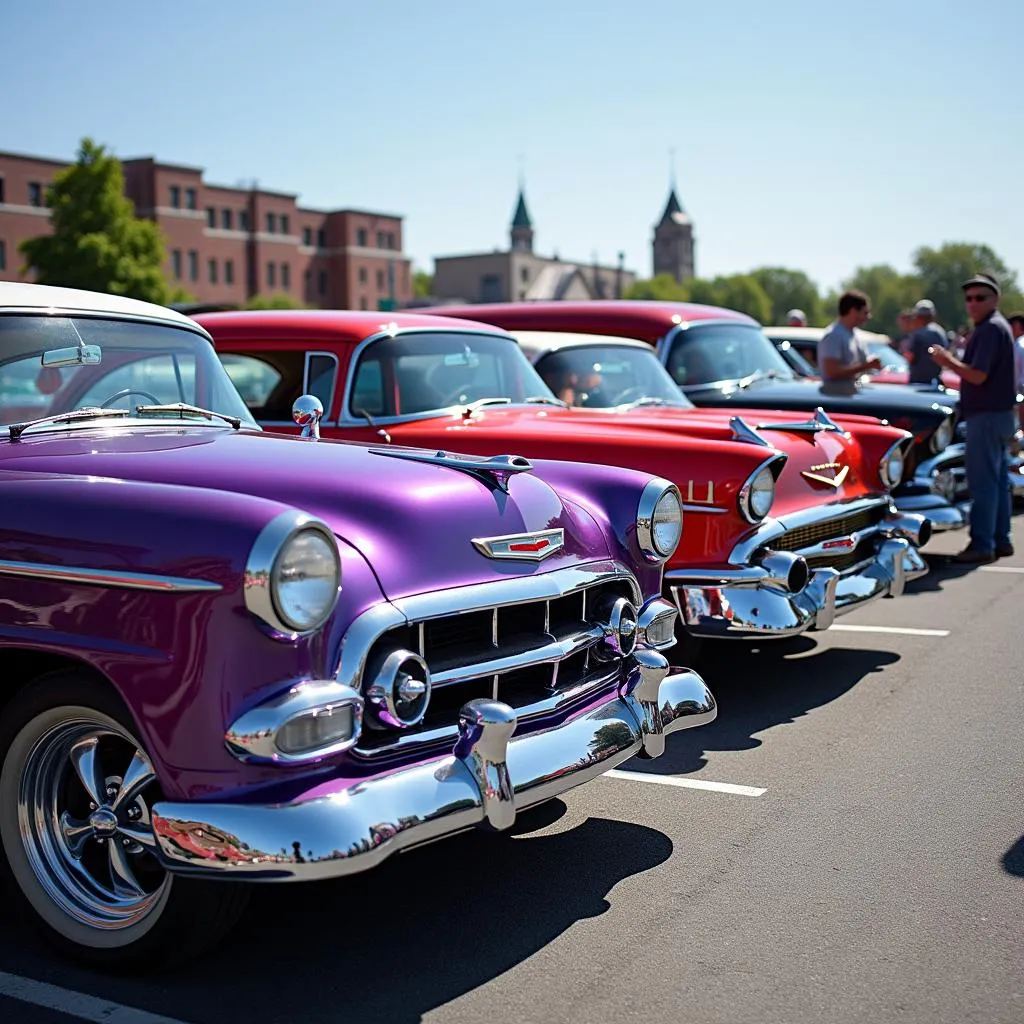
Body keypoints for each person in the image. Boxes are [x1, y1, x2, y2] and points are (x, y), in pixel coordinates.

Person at [929, 273, 1017, 564]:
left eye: (981, 297)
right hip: (998, 415)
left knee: (984, 483)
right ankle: (1000, 540)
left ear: (995, 299)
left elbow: (977, 375)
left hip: (988, 417)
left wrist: (947, 361)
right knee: (997, 480)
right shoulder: (994, 327)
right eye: (969, 298)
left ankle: (983, 544)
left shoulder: (990, 328)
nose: (973, 303)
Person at [818, 290, 882, 388]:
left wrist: (870, 364)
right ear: (853, 311)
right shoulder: (833, 336)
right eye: (865, 312)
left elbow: (859, 365)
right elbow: (832, 372)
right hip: (835, 397)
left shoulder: (856, 335)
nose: (868, 317)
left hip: (850, 395)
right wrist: (866, 366)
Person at [901, 298, 948, 384]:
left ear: (918, 316)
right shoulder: (940, 332)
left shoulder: (918, 334)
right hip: (935, 381)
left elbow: (910, 356)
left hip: (918, 382)